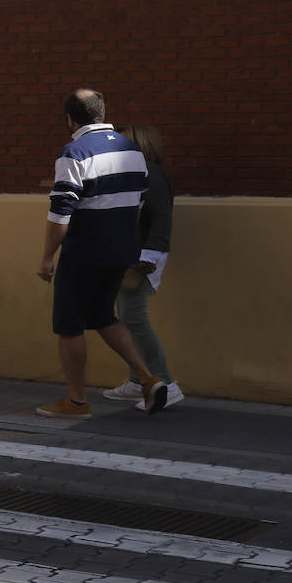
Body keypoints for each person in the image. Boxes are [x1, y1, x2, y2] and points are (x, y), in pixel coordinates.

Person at [36, 89, 169, 418]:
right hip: (121, 252)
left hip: (84, 253)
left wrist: (47, 257)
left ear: (69, 119)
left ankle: (77, 401)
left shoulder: (74, 152)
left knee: (69, 326)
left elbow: (61, 213)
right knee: (103, 317)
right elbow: (136, 205)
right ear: (101, 112)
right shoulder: (133, 151)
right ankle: (149, 379)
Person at [105, 125, 182, 410]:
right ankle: (138, 382)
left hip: (143, 258)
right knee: (125, 316)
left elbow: (161, 217)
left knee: (133, 316)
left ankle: (166, 384)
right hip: (128, 255)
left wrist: (149, 255)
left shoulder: (151, 174)